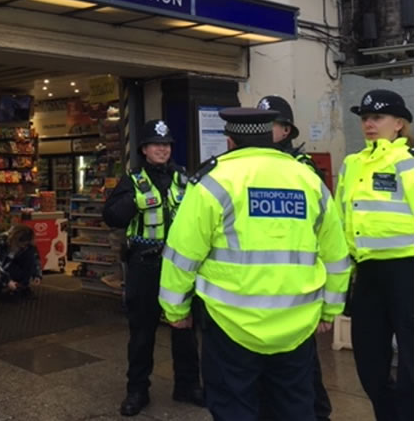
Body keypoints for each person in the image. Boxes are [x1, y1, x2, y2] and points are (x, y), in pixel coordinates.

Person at [159, 107, 351, 421]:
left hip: (230, 326)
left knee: (235, 409)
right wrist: (330, 310)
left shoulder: (212, 182)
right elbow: (336, 256)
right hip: (296, 326)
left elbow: (182, 255)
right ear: (270, 137)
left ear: (230, 141)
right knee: (294, 407)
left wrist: (175, 311)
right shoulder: (308, 181)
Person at [103, 119, 202, 416]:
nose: (162, 149)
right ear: (144, 149)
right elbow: (112, 216)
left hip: (179, 267)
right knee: (142, 332)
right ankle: (137, 390)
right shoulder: (132, 180)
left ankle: (187, 385)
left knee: (184, 329)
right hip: (145, 264)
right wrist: (136, 200)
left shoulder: (184, 178)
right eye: (157, 144)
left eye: (166, 144)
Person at [335, 89, 413, 421]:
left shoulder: (408, 162)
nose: (369, 124)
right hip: (366, 273)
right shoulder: (352, 164)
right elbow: (340, 219)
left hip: (407, 272)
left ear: (399, 124)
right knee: (369, 362)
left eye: (377, 117)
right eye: (365, 118)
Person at [257, 95, 333, 421]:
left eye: (269, 124)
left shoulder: (303, 169)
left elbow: (325, 231)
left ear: (285, 130)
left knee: (303, 373)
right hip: (259, 286)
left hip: (297, 287)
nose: (261, 130)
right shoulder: (248, 166)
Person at [0, 224, 42, 298]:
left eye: (26, 245)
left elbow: (35, 258)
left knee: (29, 254)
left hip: (11, 266)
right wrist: (7, 281)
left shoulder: (28, 243)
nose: (23, 247)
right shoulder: (1, 241)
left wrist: (37, 274)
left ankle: (21, 287)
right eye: (22, 245)